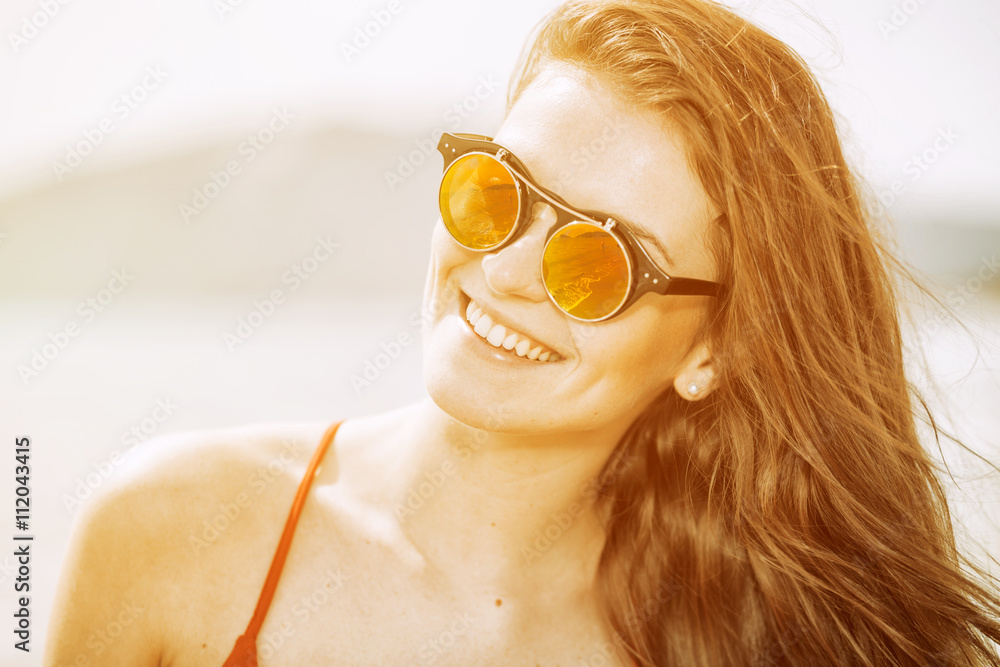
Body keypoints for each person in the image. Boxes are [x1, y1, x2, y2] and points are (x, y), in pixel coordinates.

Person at [44, 1, 1000, 665]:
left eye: (600, 257)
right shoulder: (169, 527)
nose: (501, 272)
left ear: (716, 348)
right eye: (496, 193)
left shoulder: (764, 638)